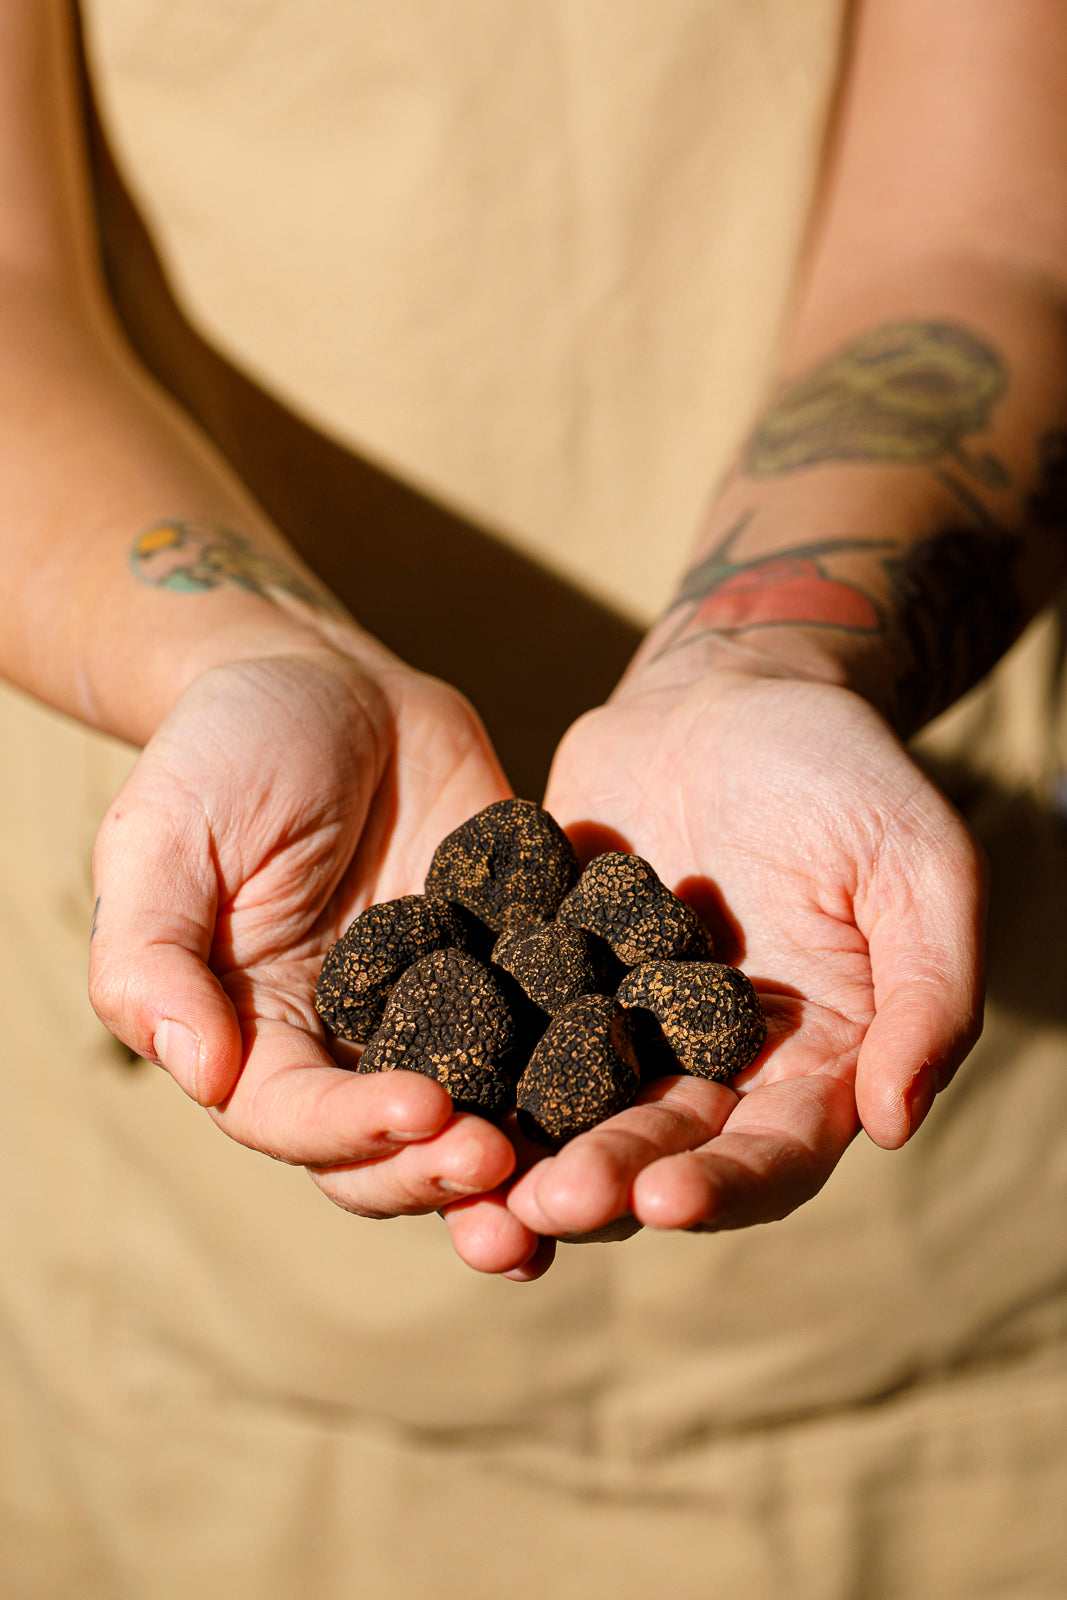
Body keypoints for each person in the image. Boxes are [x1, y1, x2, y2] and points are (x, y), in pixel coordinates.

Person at [1, 0, 1065, 1593]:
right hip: (202, 1300)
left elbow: (997, 239)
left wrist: (769, 665)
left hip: (937, 1285)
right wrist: (239, 655)